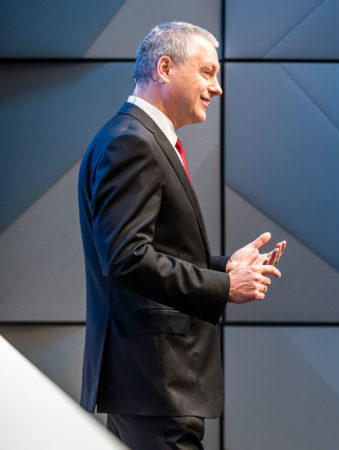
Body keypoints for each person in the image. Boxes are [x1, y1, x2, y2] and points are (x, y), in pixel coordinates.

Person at [77, 21, 285, 449]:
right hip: (156, 382)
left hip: (150, 384)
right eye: (207, 72)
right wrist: (224, 287)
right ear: (165, 68)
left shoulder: (136, 137)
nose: (217, 88)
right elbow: (126, 257)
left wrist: (224, 267)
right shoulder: (132, 143)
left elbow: (152, 249)